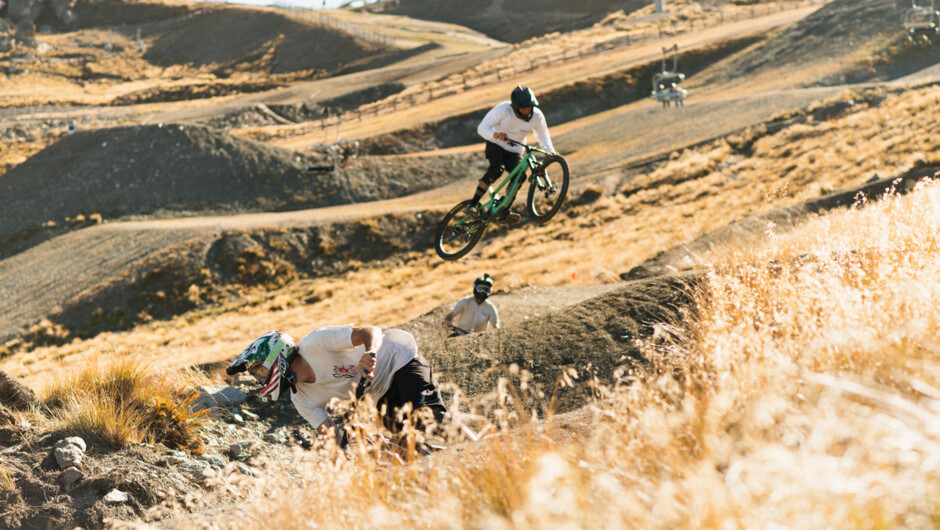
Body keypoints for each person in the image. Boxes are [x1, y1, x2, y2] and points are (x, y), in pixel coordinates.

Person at [226, 325, 449, 448]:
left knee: (428, 418)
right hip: (380, 393)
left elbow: (370, 331)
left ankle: (480, 446)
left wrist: (370, 352)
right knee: (403, 449)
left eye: (261, 372)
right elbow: (332, 439)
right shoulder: (301, 399)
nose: (260, 380)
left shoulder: (315, 342)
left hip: (399, 358)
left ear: (277, 357)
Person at [465, 86, 556, 223]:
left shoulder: (537, 116)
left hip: (515, 150)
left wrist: (551, 153)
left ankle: (504, 210)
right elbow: (481, 128)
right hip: (495, 143)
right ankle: (473, 204)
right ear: (515, 107)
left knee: (520, 177)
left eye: (529, 107)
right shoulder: (503, 110)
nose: (527, 111)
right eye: (523, 108)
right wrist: (495, 135)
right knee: (497, 168)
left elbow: (544, 137)